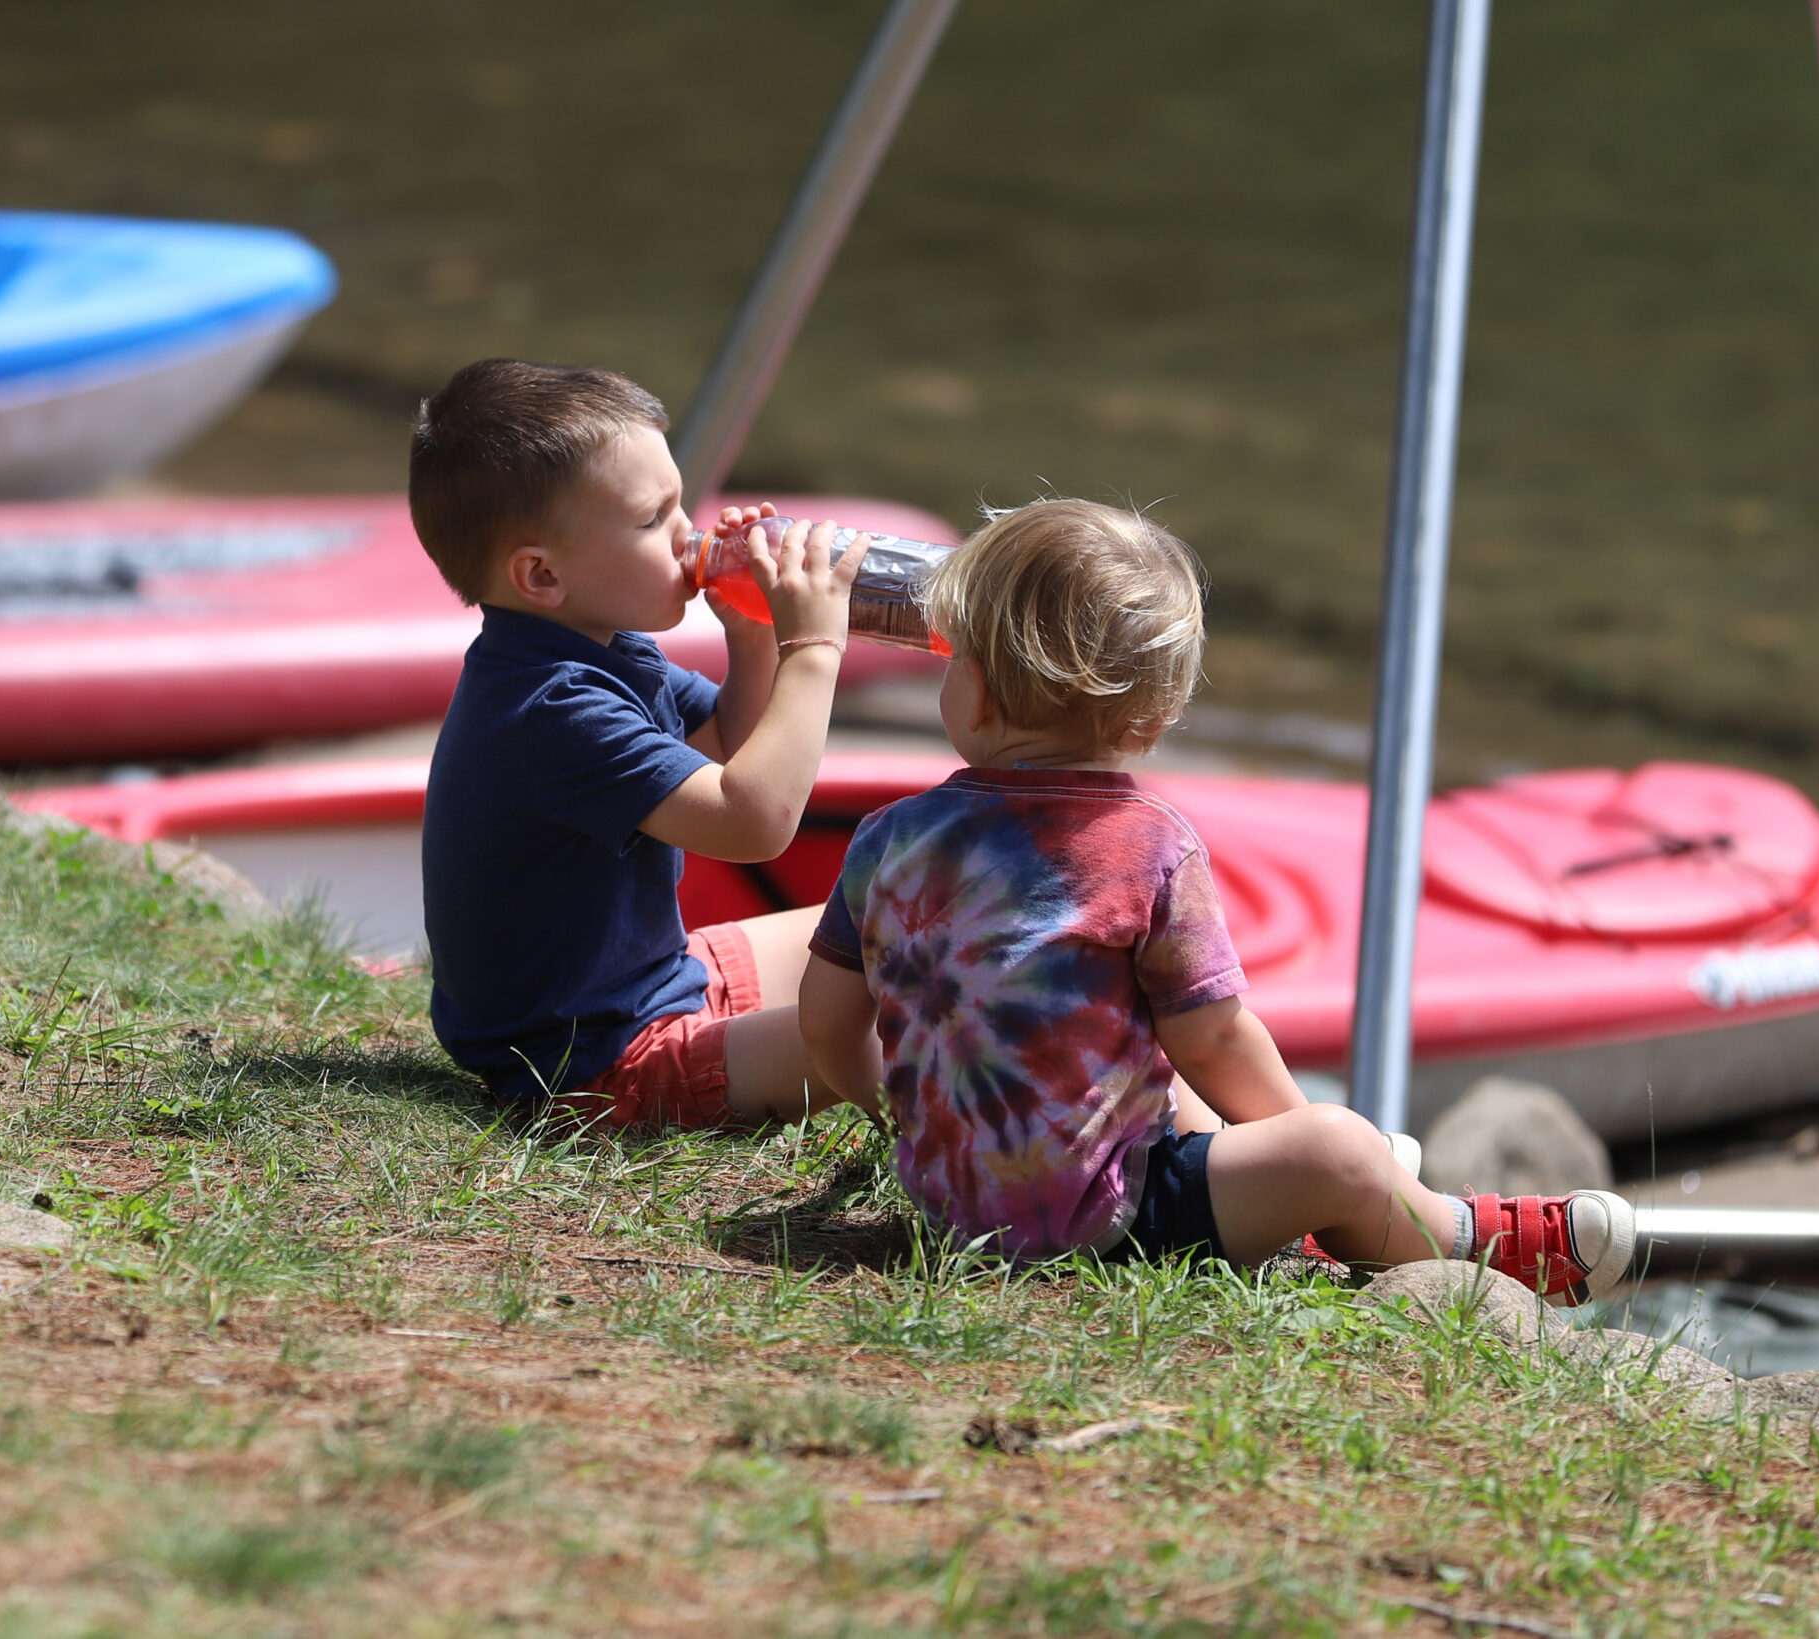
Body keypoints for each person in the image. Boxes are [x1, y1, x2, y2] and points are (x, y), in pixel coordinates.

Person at [798, 498, 1635, 1303]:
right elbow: (1215, 1036)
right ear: (1153, 718)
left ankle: (1301, 1193)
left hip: (948, 1211)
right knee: (1334, 1144)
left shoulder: (886, 837)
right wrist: (1306, 1139)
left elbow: (827, 1019)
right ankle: (1450, 1234)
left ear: (973, 692)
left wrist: (906, 1124)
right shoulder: (1152, 844)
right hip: (1102, 1225)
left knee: (1173, 1088)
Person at [412, 359, 871, 1129]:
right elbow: (752, 821)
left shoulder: (600, 649)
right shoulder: (550, 706)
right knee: (906, 1022)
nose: (689, 533)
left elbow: (727, 749)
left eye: (680, 503)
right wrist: (814, 646)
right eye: (654, 518)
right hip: (599, 1065)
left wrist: (755, 642)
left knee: (893, 936)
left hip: (661, 983)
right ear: (542, 575)